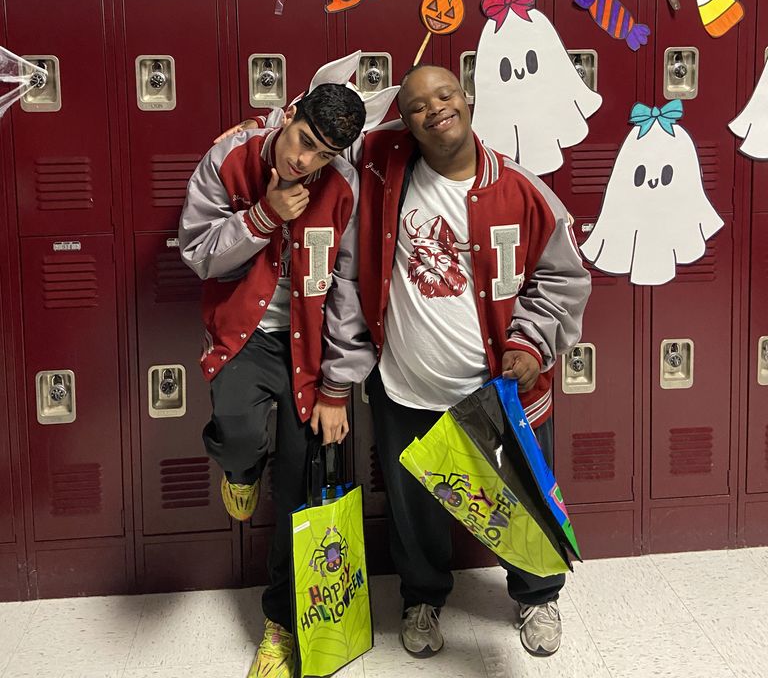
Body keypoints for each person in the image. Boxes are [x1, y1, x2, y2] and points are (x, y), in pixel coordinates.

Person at [357, 64, 591, 659]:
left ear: (467, 99)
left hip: (498, 391)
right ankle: (422, 597)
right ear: (403, 122)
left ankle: (538, 594)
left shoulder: (522, 189)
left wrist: (531, 345)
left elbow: (562, 281)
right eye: (416, 105)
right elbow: (325, 130)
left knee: (523, 497)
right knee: (413, 506)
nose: (434, 109)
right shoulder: (386, 173)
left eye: (444, 95)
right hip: (406, 384)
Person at [179, 83, 374, 678]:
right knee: (237, 432)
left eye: (322, 155)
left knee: (298, 491)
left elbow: (346, 287)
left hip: (309, 352)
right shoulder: (230, 159)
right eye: (303, 142)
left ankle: (281, 626)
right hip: (244, 336)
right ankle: (239, 470)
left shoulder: (343, 187)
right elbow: (197, 254)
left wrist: (338, 385)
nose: (304, 162)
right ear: (288, 116)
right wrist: (262, 217)